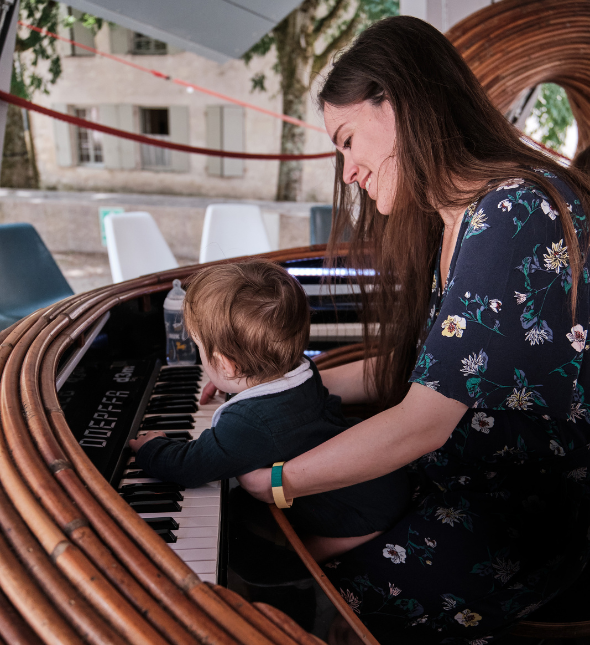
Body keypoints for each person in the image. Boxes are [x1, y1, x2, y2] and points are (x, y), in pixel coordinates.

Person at [236, 15, 590, 645]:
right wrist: (271, 388)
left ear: (395, 103)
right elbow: (413, 372)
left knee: (315, 601)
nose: (347, 172)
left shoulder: (515, 211)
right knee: (268, 551)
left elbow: (422, 419)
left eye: (346, 140)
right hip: (449, 480)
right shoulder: (462, 216)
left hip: (519, 518)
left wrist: (279, 482)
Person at [130, 260, 410, 563]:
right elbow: (268, 390)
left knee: (295, 566)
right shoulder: (302, 368)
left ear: (226, 365)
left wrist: (152, 448)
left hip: (359, 512)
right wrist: (233, 386)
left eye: (200, 349)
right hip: (381, 484)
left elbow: (190, 466)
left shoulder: (248, 423)